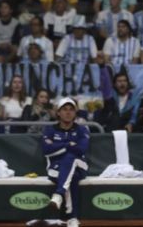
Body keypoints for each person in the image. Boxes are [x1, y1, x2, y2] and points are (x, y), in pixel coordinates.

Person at [43, 97, 89, 227]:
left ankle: (58, 195)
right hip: (54, 168)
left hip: (80, 165)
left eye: (71, 110)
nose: (68, 112)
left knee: (71, 157)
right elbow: (46, 150)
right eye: (64, 109)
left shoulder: (82, 130)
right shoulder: (50, 130)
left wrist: (58, 145)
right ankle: (72, 217)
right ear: (58, 112)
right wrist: (69, 144)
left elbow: (82, 149)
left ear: (75, 113)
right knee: (72, 176)